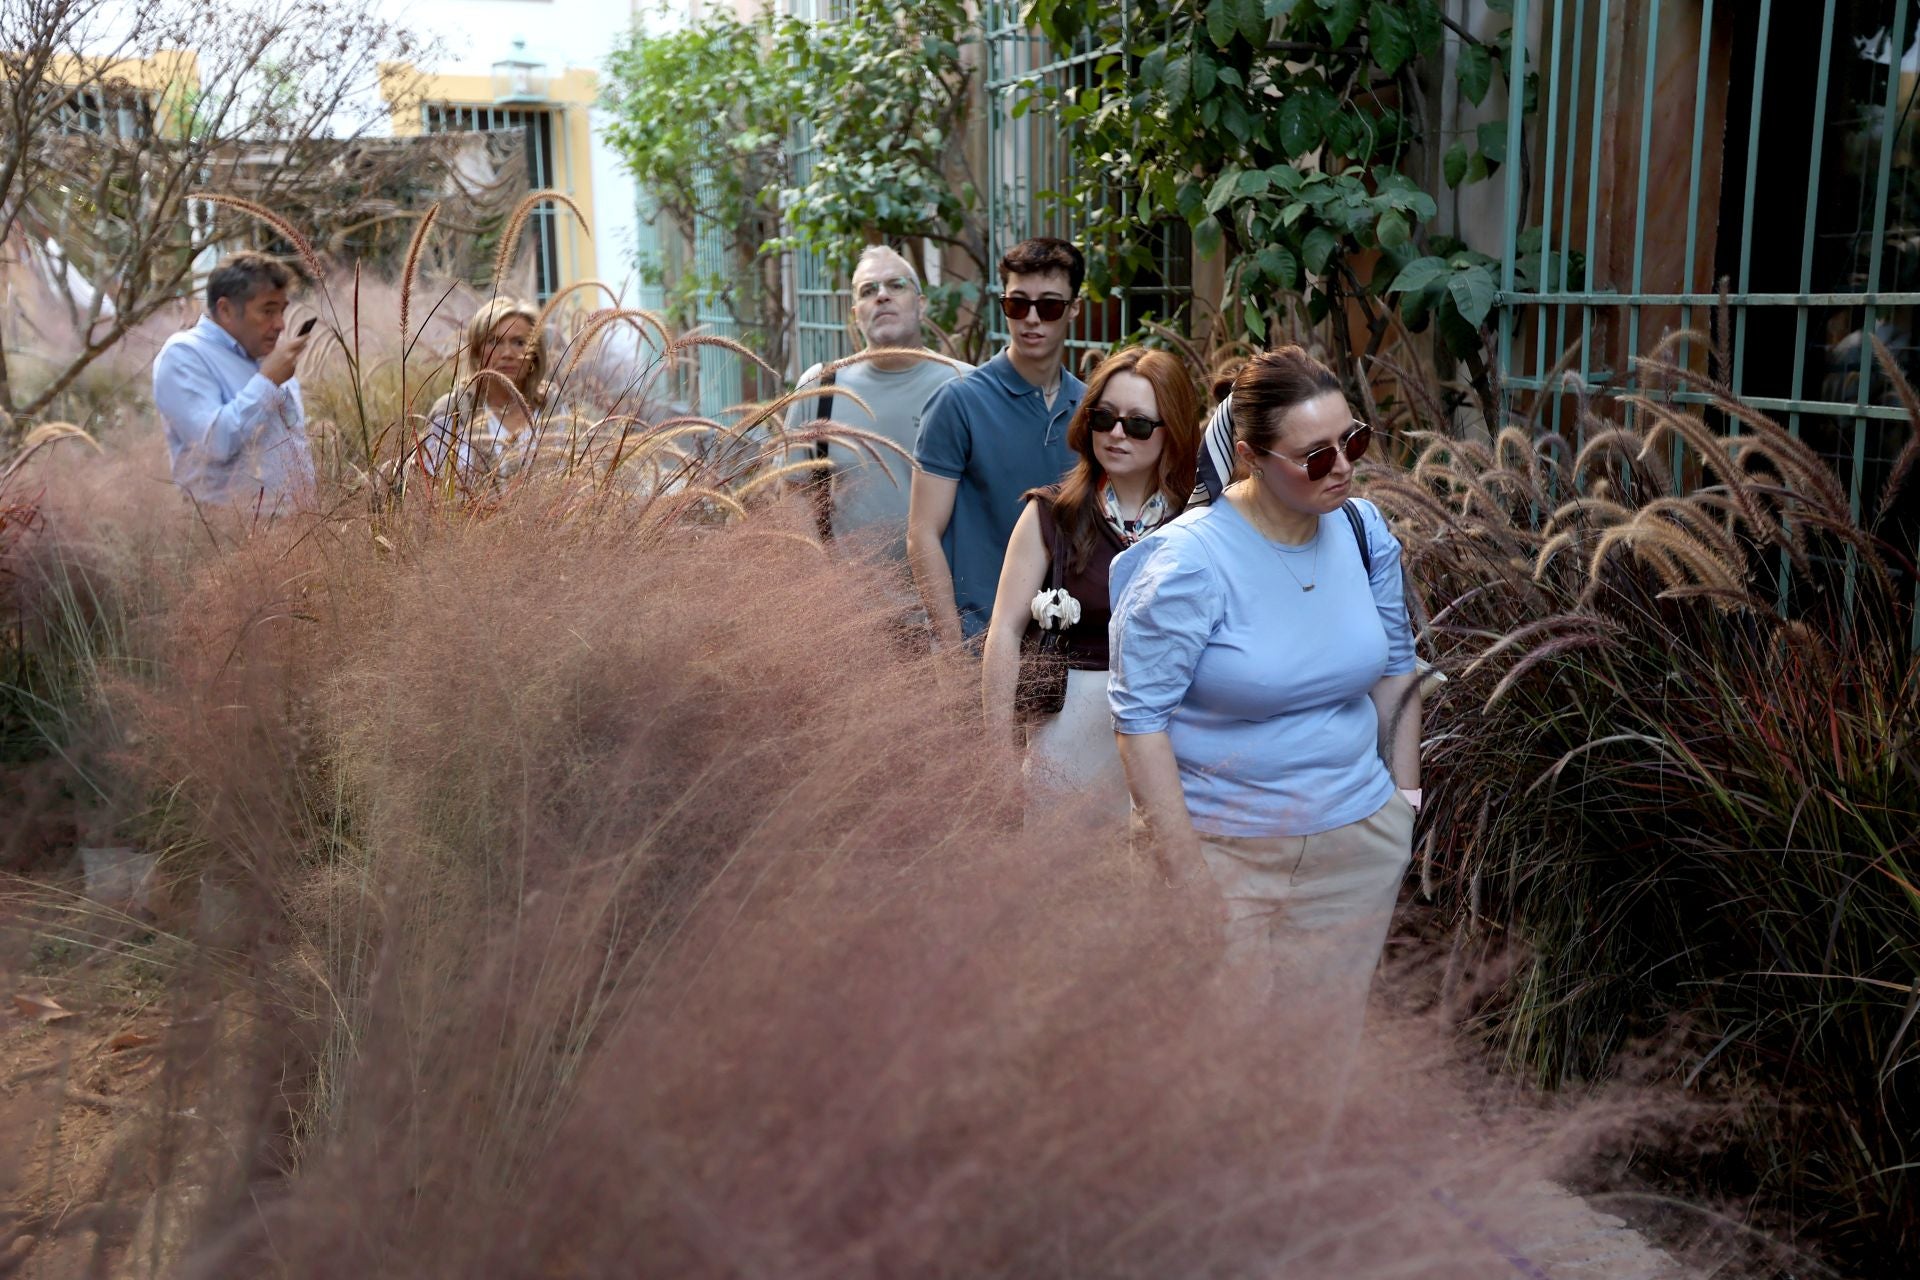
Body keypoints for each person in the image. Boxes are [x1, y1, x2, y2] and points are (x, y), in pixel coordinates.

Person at [1108, 345, 1421, 1032]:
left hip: (1354, 844)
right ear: (1249, 455)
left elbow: (1398, 664)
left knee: (1320, 1063)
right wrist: (1188, 879)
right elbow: (1139, 723)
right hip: (1223, 855)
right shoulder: (1188, 562)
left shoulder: (1365, 531)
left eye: (1353, 441)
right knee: (1210, 1075)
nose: (1342, 467)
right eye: (1315, 455)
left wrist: (1404, 801)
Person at [981, 347, 1200, 816]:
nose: (1117, 434)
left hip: (1173, 737)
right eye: (1104, 418)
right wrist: (999, 756)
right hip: (1068, 737)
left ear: (1173, 432)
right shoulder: (1050, 514)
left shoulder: (1196, 524)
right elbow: (1003, 631)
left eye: (1139, 423)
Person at [908, 237, 1086, 649]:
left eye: (1050, 306)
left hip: (1066, 656)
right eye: (1018, 305)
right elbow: (922, 534)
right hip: (976, 644)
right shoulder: (959, 402)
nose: (1032, 319)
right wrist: (953, 645)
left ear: (1073, 309)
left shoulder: (1093, 412)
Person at [783, 245, 965, 557]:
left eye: (896, 285)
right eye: (868, 290)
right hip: (853, 602)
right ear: (856, 315)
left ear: (921, 305)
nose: (881, 295)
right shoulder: (821, 389)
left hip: (952, 601)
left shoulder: (967, 386)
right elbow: (795, 494)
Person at [152, 251, 314, 512]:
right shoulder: (184, 354)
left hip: (294, 533)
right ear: (226, 310)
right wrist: (268, 381)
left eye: (282, 311)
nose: (281, 325)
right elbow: (214, 443)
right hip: (228, 536)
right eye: (268, 311)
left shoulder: (267, 356)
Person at [419, 297, 552, 483]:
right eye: (494, 342)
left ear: (535, 354)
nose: (507, 354)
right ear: (476, 352)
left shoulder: (553, 409)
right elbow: (428, 488)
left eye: (519, 343)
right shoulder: (452, 412)